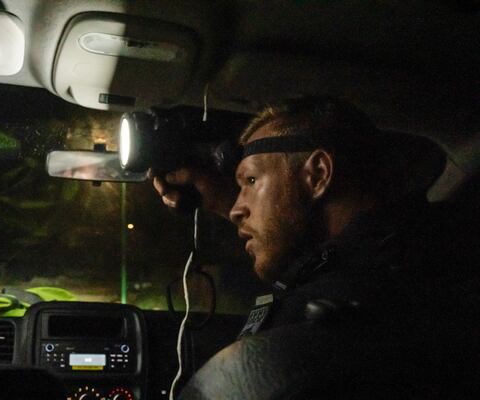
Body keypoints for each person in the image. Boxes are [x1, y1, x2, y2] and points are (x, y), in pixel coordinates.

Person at [152, 97, 480, 399]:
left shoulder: (357, 306)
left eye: (250, 181)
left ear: (318, 174)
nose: (237, 209)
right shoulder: (410, 261)